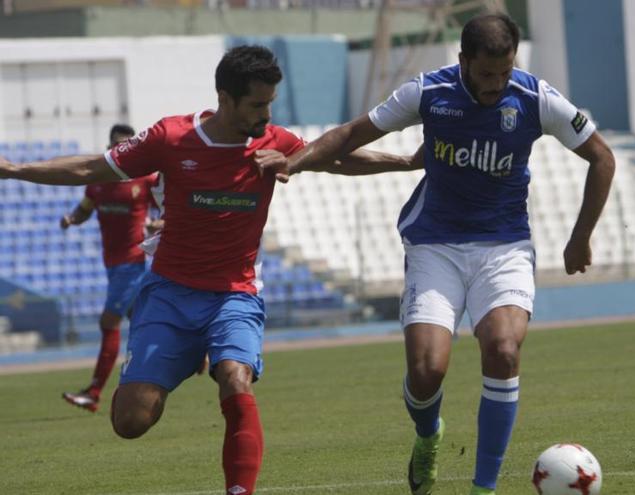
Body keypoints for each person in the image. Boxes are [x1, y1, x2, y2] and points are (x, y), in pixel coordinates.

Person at [0, 45, 416, 495]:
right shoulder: (171, 138)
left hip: (234, 295)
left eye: (270, 103)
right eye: (257, 104)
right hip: (169, 293)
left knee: (236, 378)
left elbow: (335, 158)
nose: (266, 113)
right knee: (131, 421)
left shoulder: (274, 142)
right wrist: (14, 169)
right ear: (226, 98)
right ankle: (170, 358)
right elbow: (90, 167)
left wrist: (408, 162)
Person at [257, 13, 615, 495]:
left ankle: (482, 487)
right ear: (463, 60)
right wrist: (294, 164)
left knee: (504, 350)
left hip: (503, 245)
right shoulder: (427, 93)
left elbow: (602, 157)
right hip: (435, 245)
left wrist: (581, 236)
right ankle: (428, 436)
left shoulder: (536, 97)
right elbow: (350, 134)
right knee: (426, 373)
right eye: (486, 73)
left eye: (504, 73)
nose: (495, 85)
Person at [60, 123, 162, 413]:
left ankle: (94, 392)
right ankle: (191, 355)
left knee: (109, 322)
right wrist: (70, 219)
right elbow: (84, 209)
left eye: (128, 145)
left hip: (134, 261)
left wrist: (160, 223)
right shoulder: (98, 181)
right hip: (112, 265)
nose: (123, 150)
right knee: (143, 323)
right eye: (118, 145)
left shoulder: (145, 180)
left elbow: (172, 206)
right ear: (110, 146)